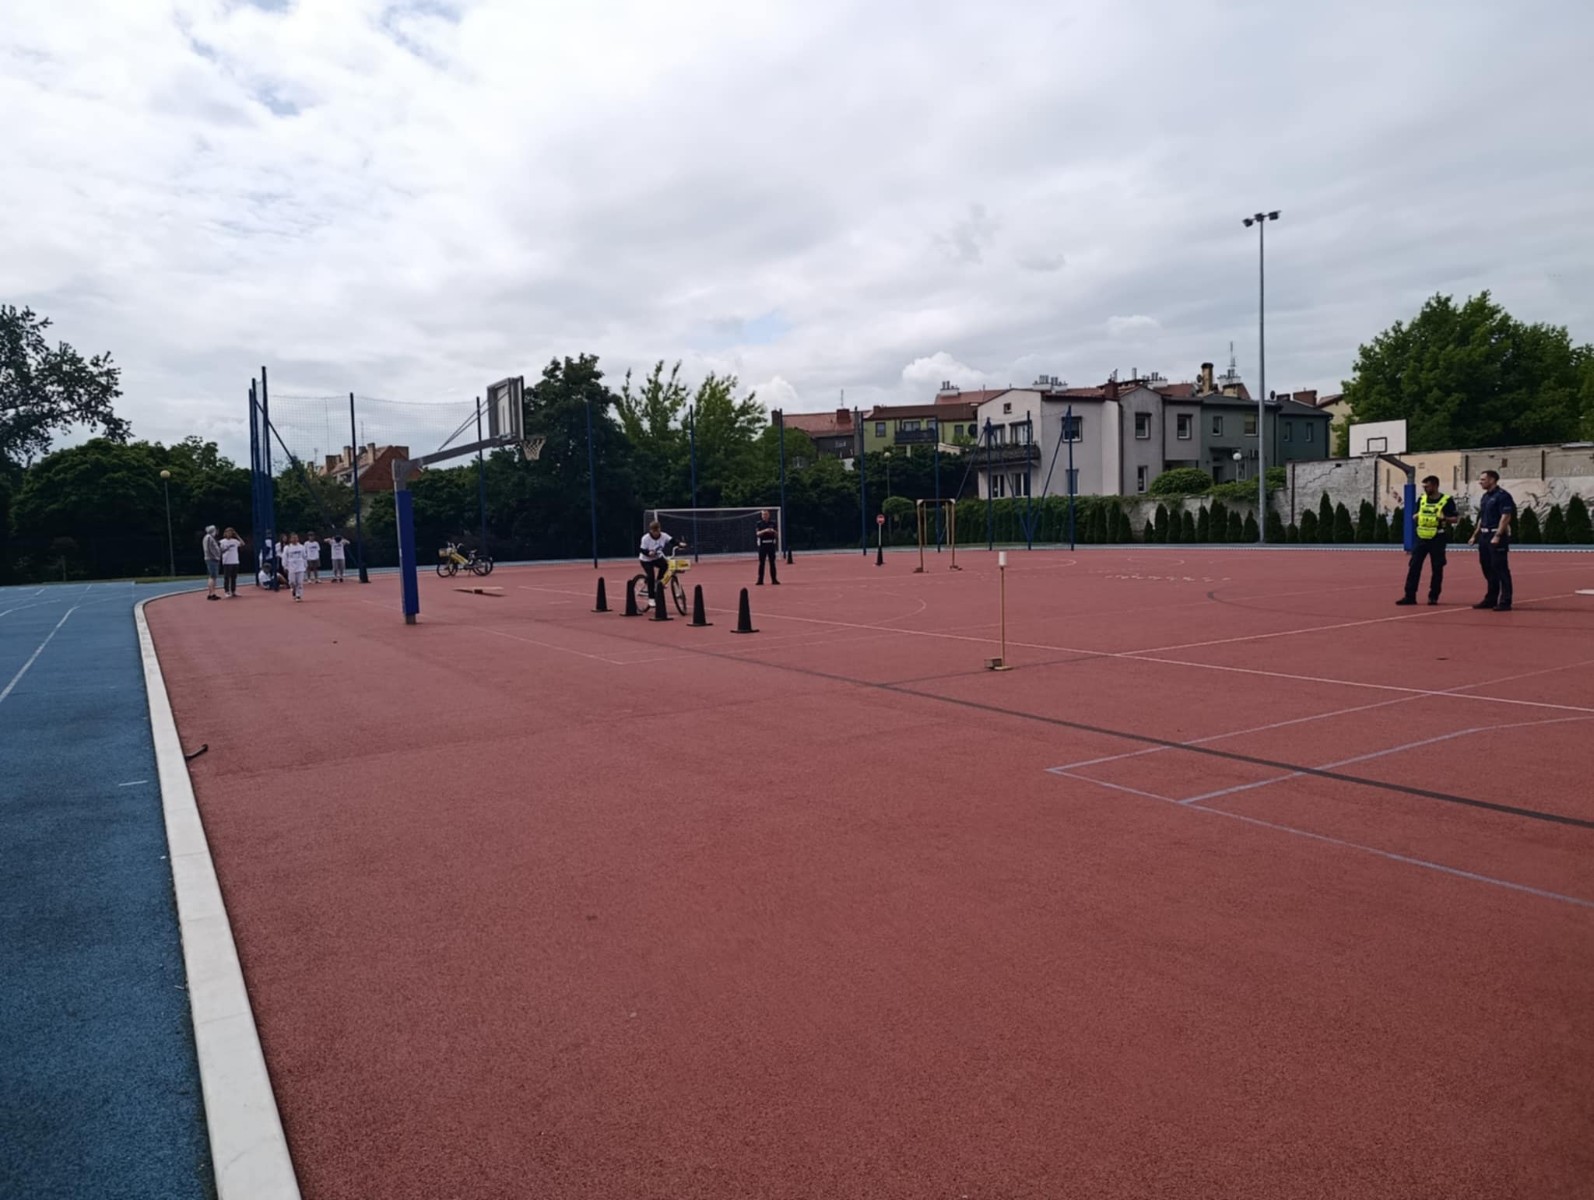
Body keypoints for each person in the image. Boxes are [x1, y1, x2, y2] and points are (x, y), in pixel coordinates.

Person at [1396, 476, 1457, 606]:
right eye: (1424, 486)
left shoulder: (1447, 500)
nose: (1425, 489)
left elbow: (1455, 519)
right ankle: (1409, 595)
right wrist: (1416, 516)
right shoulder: (1422, 499)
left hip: (1437, 538)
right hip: (1421, 538)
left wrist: (1444, 518)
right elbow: (1415, 515)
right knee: (1414, 566)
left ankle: (1433, 596)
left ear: (1435, 485)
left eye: (1427, 486)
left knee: (1437, 567)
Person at [1469, 469, 1515, 611]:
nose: (1480, 482)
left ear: (1492, 480)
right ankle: (1491, 598)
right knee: (1487, 568)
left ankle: (1505, 600)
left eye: (1483, 479)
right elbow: (1482, 517)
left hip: (1496, 535)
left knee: (1500, 568)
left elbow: (1506, 517)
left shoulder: (1503, 496)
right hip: (1484, 536)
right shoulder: (1485, 497)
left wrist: (1498, 535)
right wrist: (1475, 535)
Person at [638, 519, 680, 609]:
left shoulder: (664, 536)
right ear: (650, 531)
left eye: (658, 530)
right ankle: (651, 599)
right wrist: (648, 553)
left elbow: (672, 540)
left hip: (657, 557)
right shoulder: (645, 538)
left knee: (665, 566)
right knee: (651, 576)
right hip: (646, 560)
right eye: (654, 531)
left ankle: (658, 582)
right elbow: (642, 550)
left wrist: (679, 544)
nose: (656, 533)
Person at [217, 527, 245, 597]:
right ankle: (226, 591)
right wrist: (225, 549)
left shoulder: (235, 541)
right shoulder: (222, 541)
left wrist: (237, 536)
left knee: (234, 578)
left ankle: (233, 591)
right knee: (227, 577)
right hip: (227, 562)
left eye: (231, 533)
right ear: (225, 533)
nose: (229, 534)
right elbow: (219, 551)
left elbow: (242, 543)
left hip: (235, 561)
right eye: (228, 532)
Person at [281, 532, 309, 601]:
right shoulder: (287, 548)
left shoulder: (301, 547)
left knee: (299, 582)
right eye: (293, 538)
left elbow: (304, 557)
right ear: (290, 539)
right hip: (291, 567)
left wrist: (305, 565)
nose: (295, 539)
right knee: (292, 582)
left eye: (296, 538)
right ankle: (293, 591)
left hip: (300, 566)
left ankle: (298, 595)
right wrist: (285, 566)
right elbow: (284, 557)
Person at [755, 509, 780, 585]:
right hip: (762, 545)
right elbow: (757, 533)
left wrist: (773, 531)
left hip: (771, 544)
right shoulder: (759, 523)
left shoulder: (773, 523)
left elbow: (777, 534)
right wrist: (765, 530)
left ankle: (774, 579)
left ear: (768, 515)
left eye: (766, 514)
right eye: (763, 514)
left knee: (772, 563)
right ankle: (760, 580)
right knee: (761, 563)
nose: (764, 516)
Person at [202, 525, 222, 600]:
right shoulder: (209, 537)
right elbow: (208, 549)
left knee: (213, 576)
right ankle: (212, 594)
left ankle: (212, 593)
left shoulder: (210, 538)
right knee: (213, 576)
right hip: (212, 559)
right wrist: (215, 556)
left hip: (212, 558)